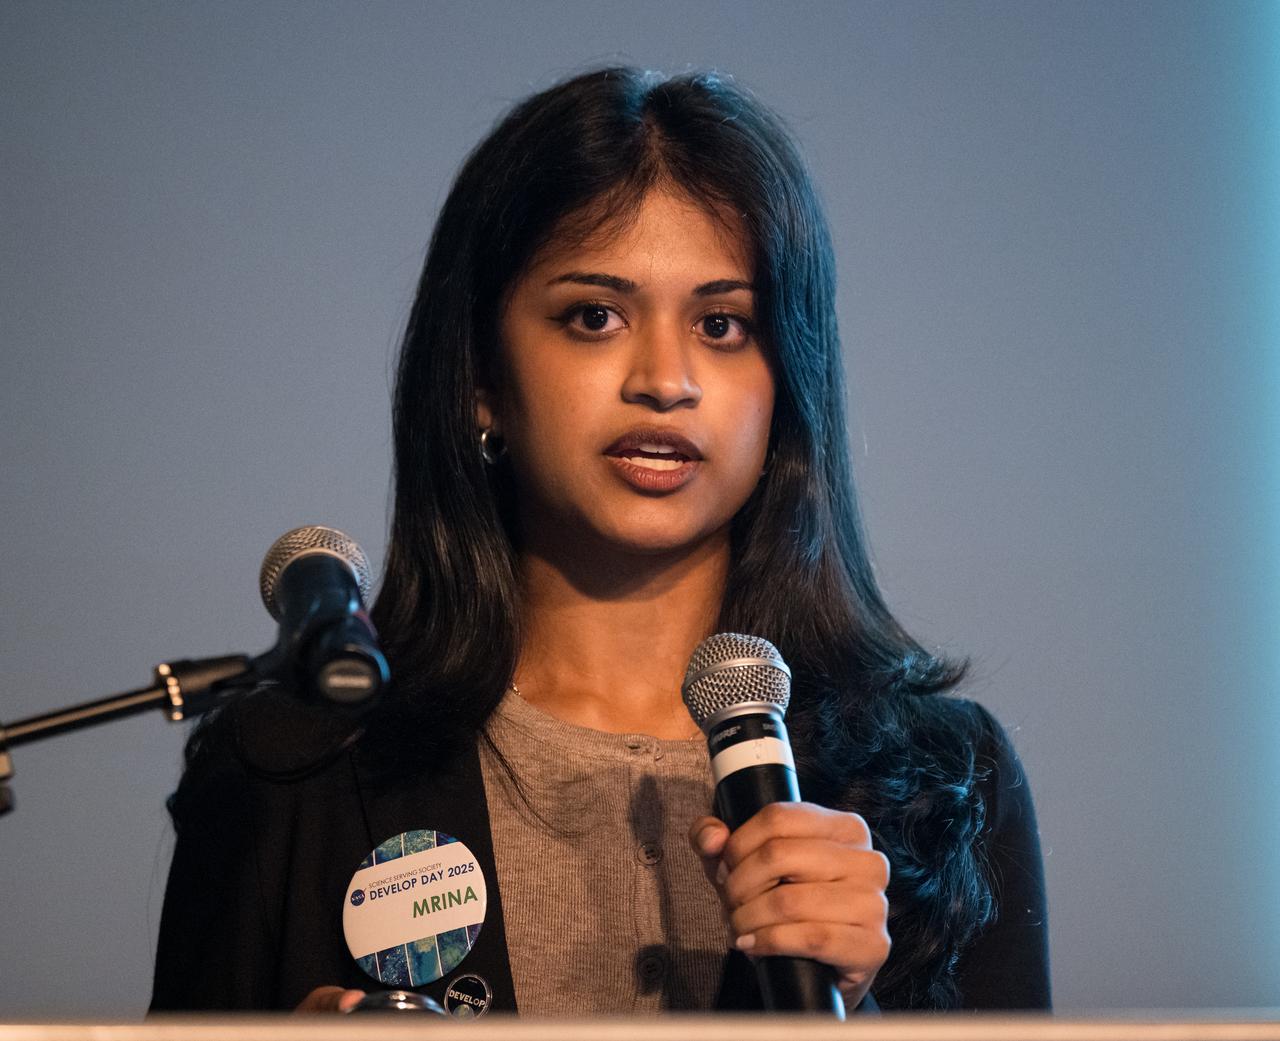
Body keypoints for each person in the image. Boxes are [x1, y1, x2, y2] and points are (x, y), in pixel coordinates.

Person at [150, 67, 1049, 1016]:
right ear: (481, 379)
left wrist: (851, 1007)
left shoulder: (944, 781)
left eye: (721, 324)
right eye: (595, 317)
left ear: (785, 388)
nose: (666, 380)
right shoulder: (294, 762)